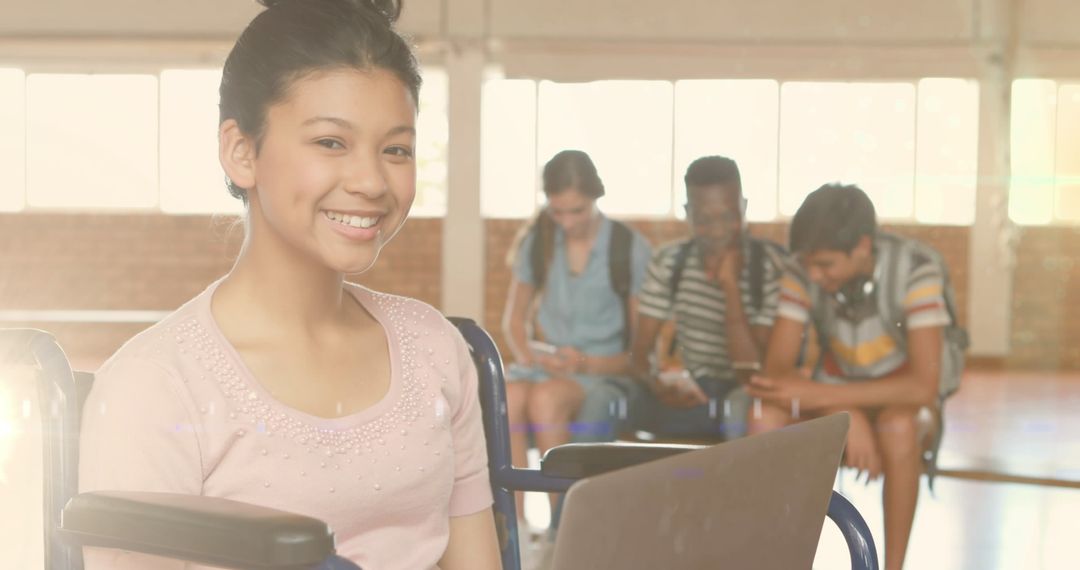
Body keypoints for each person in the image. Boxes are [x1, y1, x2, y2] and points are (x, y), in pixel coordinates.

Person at [77, 2, 500, 569]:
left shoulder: (434, 346)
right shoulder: (156, 385)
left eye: (395, 149)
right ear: (241, 152)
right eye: (331, 142)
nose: (372, 181)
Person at [748, 183, 952, 570]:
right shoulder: (803, 270)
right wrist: (844, 411)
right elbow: (776, 376)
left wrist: (833, 400)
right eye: (808, 264)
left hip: (901, 403)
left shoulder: (917, 268)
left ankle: (892, 566)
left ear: (862, 247)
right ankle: (776, 557)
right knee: (764, 414)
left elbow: (923, 388)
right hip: (836, 392)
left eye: (825, 265)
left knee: (898, 427)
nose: (813, 275)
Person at [501, 149, 651, 522]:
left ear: (597, 197)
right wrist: (532, 356)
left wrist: (583, 362)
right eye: (558, 212)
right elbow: (513, 323)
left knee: (546, 399)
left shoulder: (628, 247)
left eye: (577, 211)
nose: (567, 222)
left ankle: (561, 525)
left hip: (604, 369)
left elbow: (641, 351)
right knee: (507, 395)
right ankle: (515, 528)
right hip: (547, 366)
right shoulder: (538, 241)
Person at [630, 156, 785, 440]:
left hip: (749, 391)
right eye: (703, 220)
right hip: (696, 390)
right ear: (688, 214)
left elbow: (752, 371)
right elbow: (640, 353)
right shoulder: (669, 261)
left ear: (744, 208)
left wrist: (730, 287)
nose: (717, 231)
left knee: (737, 409)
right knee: (627, 404)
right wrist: (659, 383)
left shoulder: (770, 266)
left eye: (728, 217)